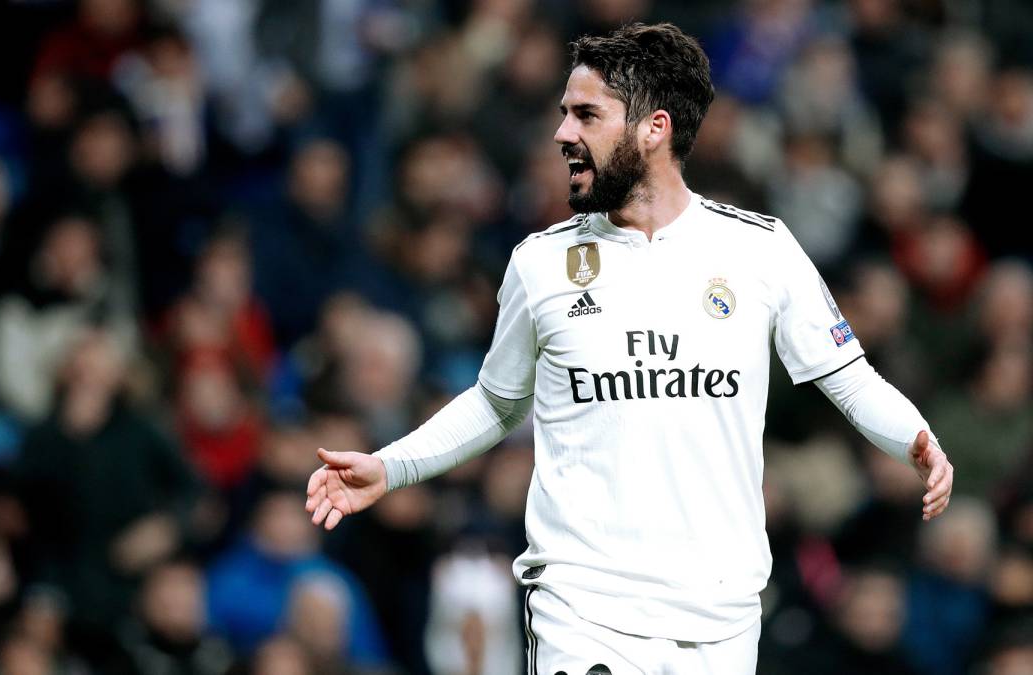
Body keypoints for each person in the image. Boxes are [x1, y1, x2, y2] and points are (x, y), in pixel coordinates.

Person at [305, 22, 954, 674]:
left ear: (654, 128)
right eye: (564, 113)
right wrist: (392, 466)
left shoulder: (760, 250)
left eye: (586, 115)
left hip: (720, 612)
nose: (562, 134)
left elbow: (849, 377)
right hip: (583, 606)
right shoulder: (541, 264)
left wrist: (914, 438)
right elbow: (497, 403)